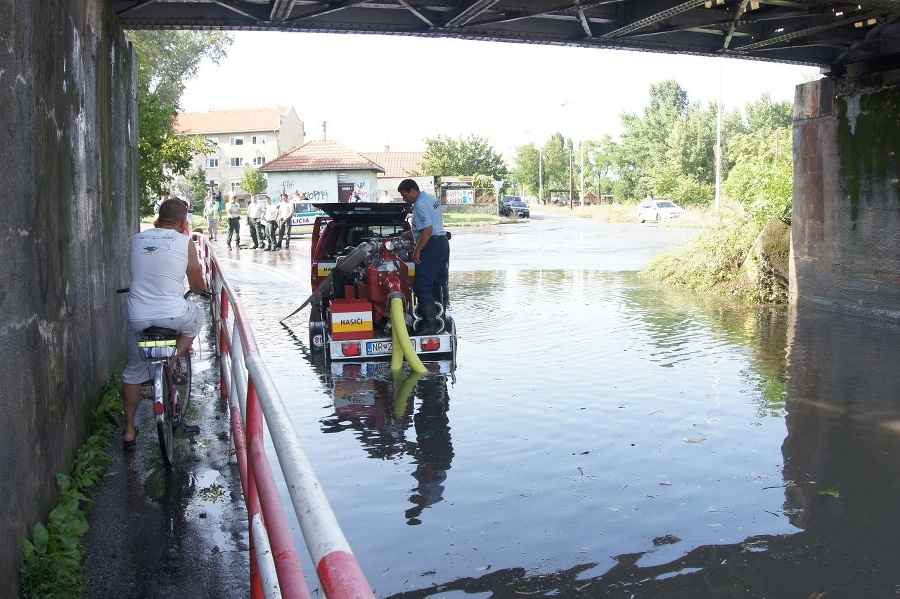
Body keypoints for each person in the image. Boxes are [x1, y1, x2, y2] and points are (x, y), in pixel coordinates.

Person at [121, 198, 206, 448]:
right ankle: (173, 356)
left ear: (158, 218)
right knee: (197, 316)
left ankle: (128, 431)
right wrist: (200, 290)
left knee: (133, 373)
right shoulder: (184, 241)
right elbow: (197, 283)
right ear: (183, 221)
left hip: (138, 317)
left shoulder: (137, 239)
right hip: (173, 314)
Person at [398, 179, 450, 334]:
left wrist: (417, 251)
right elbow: (430, 225)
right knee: (437, 284)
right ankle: (440, 321)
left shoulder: (420, 205)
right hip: (442, 243)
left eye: (404, 195)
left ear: (412, 191)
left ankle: (429, 326)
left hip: (432, 246)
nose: (404, 199)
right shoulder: (430, 198)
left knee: (422, 285)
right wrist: (411, 233)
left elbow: (427, 230)